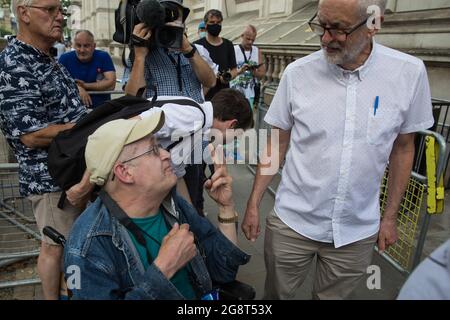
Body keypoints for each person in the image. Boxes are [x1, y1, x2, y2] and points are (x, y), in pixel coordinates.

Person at [242, 0, 434, 300]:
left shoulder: (408, 74)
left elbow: (403, 149)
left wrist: (390, 217)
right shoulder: (297, 74)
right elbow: (277, 143)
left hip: (356, 232)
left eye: (339, 29)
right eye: (321, 25)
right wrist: (253, 203)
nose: (325, 38)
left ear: (373, 24)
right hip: (293, 223)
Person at [64, 113, 250, 299]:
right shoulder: (85, 246)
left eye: (160, 146)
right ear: (125, 172)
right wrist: (164, 269)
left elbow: (224, 271)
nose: (167, 154)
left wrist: (226, 207)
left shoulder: (173, 205)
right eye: (153, 150)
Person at [0, 0, 87, 300]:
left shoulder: (47, 59)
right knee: (55, 246)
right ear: (24, 13)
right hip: (52, 180)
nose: (59, 16)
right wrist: (92, 127)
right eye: (50, 10)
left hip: (73, 172)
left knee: (71, 246)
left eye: (60, 10)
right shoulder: (15, 63)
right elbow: (32, 135)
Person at [68, 89, 254, 213]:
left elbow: (177, 174)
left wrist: (190, 217)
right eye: (235, 136)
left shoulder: (197, 123)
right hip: (103, 181)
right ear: (232, 124)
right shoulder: (192, 116)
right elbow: (120, 131)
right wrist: (86, 185)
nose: (231, 141)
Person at [124, 0, 217, 215]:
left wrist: (188, 50)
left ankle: (195, 237)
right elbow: (131, 98)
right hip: (161, 143)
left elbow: (210, 81)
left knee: (194, 198)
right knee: (161, 204)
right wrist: (140, 56)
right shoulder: (142, 52)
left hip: (194, 141)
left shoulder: (197, 50)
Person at [59, 30, 116, 109]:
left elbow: (111, 84)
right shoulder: (65, 58)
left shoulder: (103, 56)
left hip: (101, 109)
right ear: (74, 46)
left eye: (86, 46)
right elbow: (58, 84)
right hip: (73, 111)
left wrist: (84, 86)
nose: (82, 50)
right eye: (78, 45)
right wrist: (77, 88)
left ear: (94, 46)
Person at [194, 9, 238, 101]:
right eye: (212, 22)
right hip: (204, 96)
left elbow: (234, 69)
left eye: (218, 22)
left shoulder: (228, 44)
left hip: (224, 96)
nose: (215, 25)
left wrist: (227, 77)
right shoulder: (197, 45)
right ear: (206, 24)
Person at [230, 25, 266, 109]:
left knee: (246, 119)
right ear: (242, 36)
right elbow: (227, 73)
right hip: (233, 94)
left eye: (253, 40)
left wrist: (254, 72)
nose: (250, 42)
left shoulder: (257, 51)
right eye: (248, 39)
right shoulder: (233, 50)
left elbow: (262, 74)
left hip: (250, 95)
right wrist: (240, 71)